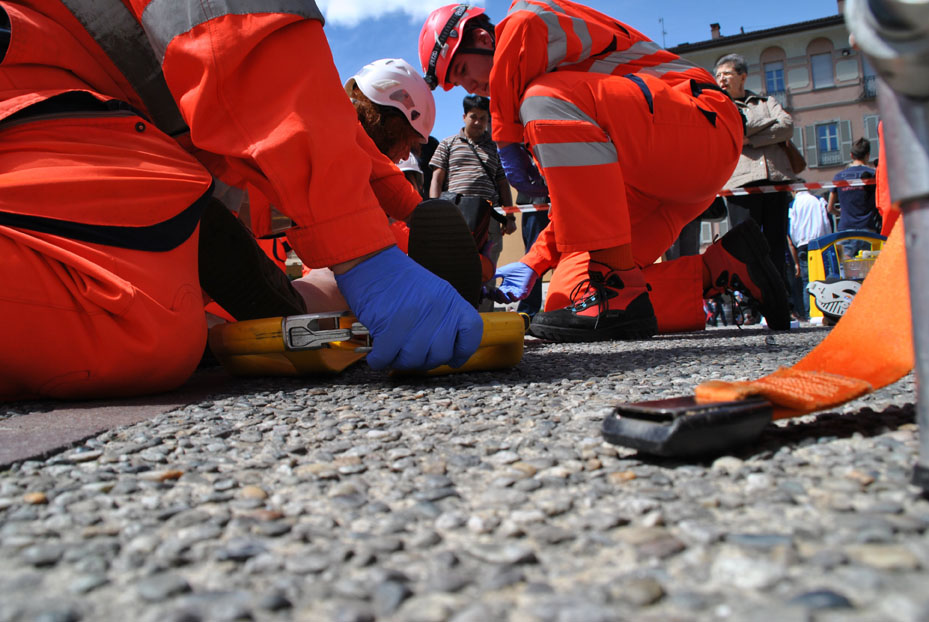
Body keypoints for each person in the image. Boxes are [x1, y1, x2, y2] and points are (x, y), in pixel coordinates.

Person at [0, 2, 482, 402]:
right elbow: (235, 33)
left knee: (182, 306)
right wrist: (368, 258)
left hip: (79, 121)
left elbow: (335, 141)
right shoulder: (296, 115)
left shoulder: (324, 126)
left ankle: (221, 322)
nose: (404, 156)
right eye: (406, 144)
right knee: (147, 321)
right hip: (41, 104)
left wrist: (413, 216)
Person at [418, 3, 790, 342]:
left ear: (482, 38)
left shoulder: (528, 27)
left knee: (542, 97)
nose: (468, 86)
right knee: (568, 295)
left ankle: (620, 287)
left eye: (463, 69)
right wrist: (534, 262)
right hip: (657, 184)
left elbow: (527, 22)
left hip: (701, 126)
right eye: (457, 83)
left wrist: (506, 135)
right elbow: (581, 202)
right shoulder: (540, 101)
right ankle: (724, 267)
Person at [715, 53, 797, 287]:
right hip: (740, 182)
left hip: (774, 178)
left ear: (742, 77)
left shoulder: (766, 102)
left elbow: (787, 126)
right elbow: (728, 130)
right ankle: (751, 303)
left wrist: (750, 140)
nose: (721, 79)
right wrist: (767, 124)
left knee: (776, 241)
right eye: (718, 75)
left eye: (727, 74)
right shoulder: (718, 105)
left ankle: (781, 300)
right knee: (745, 245)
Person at [429, 93, 517, 306]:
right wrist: (434, 210)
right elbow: (437, 178)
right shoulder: (447, 144)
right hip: (458, 215)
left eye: (483, 118)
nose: (478, 122)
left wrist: (510, 217)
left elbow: (503, 183)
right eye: (473, 116)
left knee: (487, 268)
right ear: (464, 116)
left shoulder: (495, 148)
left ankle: (484, 318)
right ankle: (456, 314)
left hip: (491, 217)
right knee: (456, 266)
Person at [827, 137, 881, 259]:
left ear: (851, 155)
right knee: (870, 270)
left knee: (843, 271)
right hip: (868, 230)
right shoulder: (873, 175)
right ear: (867, 155)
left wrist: (842, 212)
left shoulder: (839, 177)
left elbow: (830, 208)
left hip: (845, 232)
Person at [787, 189, 832, 320]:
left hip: (802, 244)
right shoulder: (818, 200)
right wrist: (828, 238)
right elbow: (826, 221)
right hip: (820, 242)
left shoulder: (793, 204)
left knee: (807, 280)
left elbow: (792, 227)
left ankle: (809, 313)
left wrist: (797, 243)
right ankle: (824, 310)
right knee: (822, 277)